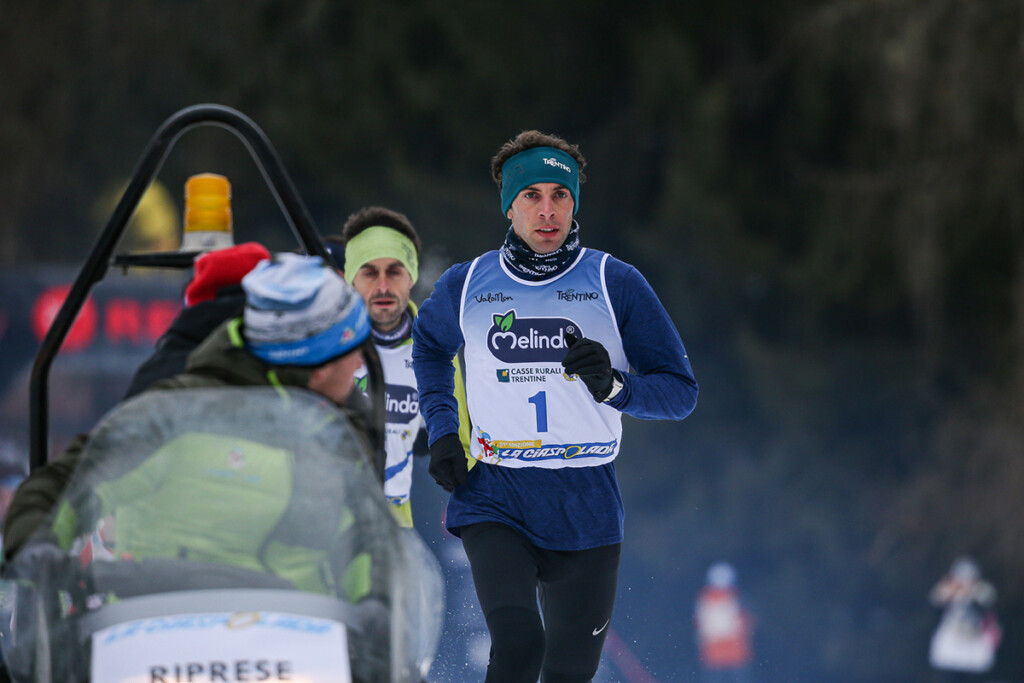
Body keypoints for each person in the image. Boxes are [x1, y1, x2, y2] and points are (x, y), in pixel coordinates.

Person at [411, 130, 698, 682]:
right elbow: (429, 348)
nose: (547, 211)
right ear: (509, 205)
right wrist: (444, 429)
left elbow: (680, 394)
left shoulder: (615, 283)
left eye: (560, 195)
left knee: (568, 674)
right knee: (519, 648)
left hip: (587, 500)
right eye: (532, 195)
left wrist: (614, 387)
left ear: (574, 203)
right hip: (497, 492)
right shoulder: (466, 285)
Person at [2, 253, 372, 569]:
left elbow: (370, 546)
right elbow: (64, 484)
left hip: (297, 631)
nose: (359, 365)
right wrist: (37, 550)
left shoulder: (340, 436)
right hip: (160, 621)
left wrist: (380, 601)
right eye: (353, 350)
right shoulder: (168, 416)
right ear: (320, 368)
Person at [328, 206, 471, 528]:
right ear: (351, 279)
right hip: (325, 524)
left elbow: (462, 447)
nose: (382, 286)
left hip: (391, 530)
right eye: (369, 273)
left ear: (411, 277)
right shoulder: (327, 338)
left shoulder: (433, 345)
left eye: (394, 272)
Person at [929, 556, 1002, 679]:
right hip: (951, 642)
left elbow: (988, 602)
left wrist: (971, 593)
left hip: (973, 641)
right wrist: (950, 593)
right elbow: (935, 602)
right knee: (949, 674)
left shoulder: (982, 590)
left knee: (972, 675)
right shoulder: (947, 590)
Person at [695, 562, 755, 683]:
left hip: (723, 652)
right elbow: (747, 621)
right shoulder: (736, 597)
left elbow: (699, 625)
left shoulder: (705, 598)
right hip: (726, 652)